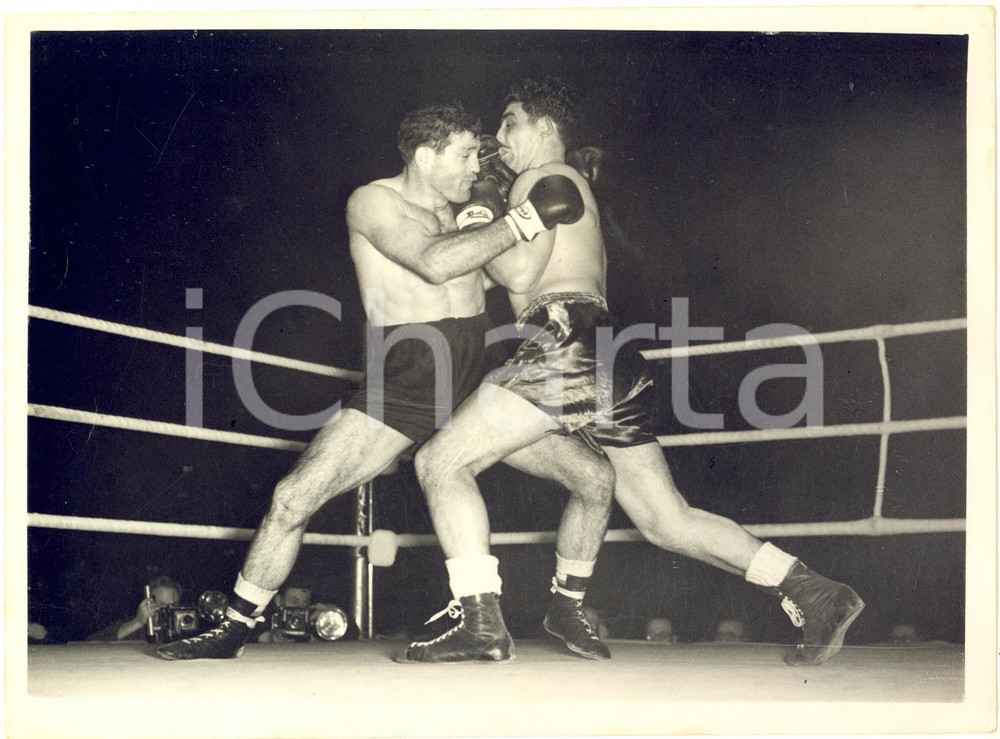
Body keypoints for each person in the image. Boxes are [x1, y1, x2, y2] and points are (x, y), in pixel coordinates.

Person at [407, 76, 865, 667]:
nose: (499, 135)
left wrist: (485, 211)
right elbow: (515, 271)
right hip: (607, 352)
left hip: (563, 340)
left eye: (510, 122)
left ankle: (479, 623)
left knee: (440, 462)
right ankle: (813, 590)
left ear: (545, 126)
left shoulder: (542, 178)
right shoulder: (565, 183)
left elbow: (518, 276)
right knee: (667, 519)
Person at [156, 102, 615, 661]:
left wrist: (519, 218)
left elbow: (498, 277)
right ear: (424, 156)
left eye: (479, 155)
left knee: (593, 476)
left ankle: (560, 608)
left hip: (476, 369)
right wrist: (522, 220)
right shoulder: (373, 201)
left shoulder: (467, 209)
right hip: (407, 375)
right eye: (465, 155)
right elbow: (433, 264)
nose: (477, 166)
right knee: (293, 497)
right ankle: (234, 625)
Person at [87, 575, 181, 641]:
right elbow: (91, 644)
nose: (169, 610)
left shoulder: (184, 627)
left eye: (174, 605)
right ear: (149, 603)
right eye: (162, 605)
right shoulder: (137, 628)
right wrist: (137, 622)